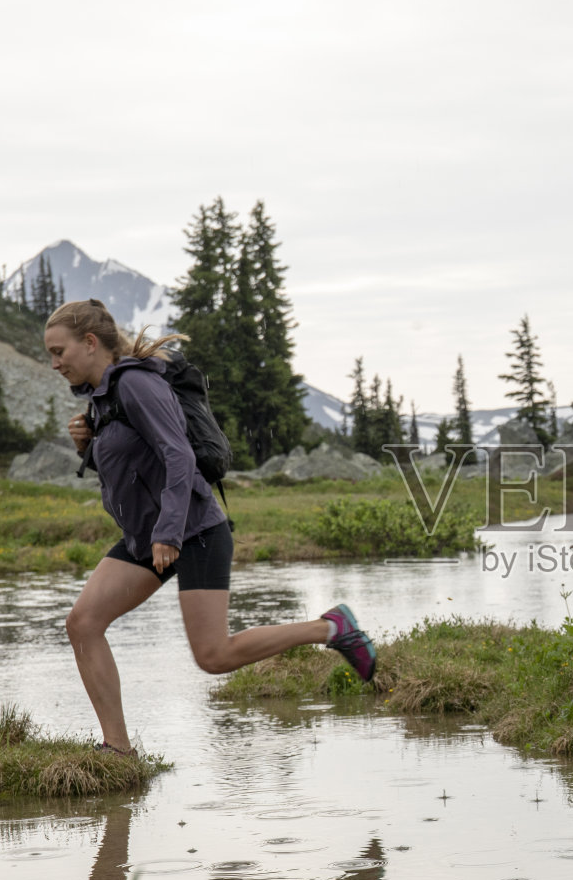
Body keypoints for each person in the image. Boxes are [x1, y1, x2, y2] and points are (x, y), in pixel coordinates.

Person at [44, 299, 375, 756]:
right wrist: (91, 444)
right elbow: (137, 468)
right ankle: (117, 750)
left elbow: (178, 455)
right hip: (150, 536)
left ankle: (331, 629)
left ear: (90, 342)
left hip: (192, 529)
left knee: (214, 655)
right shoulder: (104, 398)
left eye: (59, 351)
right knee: (83, 623)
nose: (55, 363)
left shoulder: (137, 383)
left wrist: (169, 532)